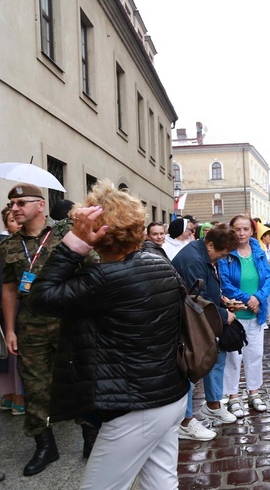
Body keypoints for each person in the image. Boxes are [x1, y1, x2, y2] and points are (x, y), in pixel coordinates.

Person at [27, 182, 190, 489]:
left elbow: (40, 297)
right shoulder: (158, 262)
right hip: (170, 395)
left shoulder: (105, 278)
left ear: (98, 232)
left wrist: (75, 242)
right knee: (162, 482)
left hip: (135, 406)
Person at [0, 183, 97, 475]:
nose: (14, 208)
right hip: (31, 326)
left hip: (69, 322)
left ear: (40, 205)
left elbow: (92, 271)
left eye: (21, 202)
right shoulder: (9, 245)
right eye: (12, 203)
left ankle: (91, 438)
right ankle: (45, 446)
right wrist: (10, 330)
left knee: (79, 379)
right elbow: (8, 289)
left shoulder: (66, 235)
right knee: (35, 387)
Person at [172, 224, 241, 441]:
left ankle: (213, 404)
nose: (222, 258)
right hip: (189, 323)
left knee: (216, 357)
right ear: (210, 245)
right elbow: (195, 301)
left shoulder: (204, 255)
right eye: (221, 254)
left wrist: (221, 300)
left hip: (203, 319)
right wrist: (223, 315)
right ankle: (184, 421)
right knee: (191, 367)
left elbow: (205, 290)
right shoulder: (192, 260)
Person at [220, 215, 270, 417]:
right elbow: (225, 283)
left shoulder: (258, 251)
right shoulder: (227, 254)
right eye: (237, 229)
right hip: (235, 313)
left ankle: (254, 392)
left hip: (255, 313)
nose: (241, 233)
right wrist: (247, 298)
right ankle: (233, 396)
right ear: (231, 231)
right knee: (233, 357)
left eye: (245, 229)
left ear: (252, 231)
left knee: (255, 354)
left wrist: (258, 298)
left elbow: (268, 276)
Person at [0, 207, 24, 416]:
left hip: (4, 309)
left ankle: (9, 396)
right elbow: (1, 282)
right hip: (8, 309)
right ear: (5, 222)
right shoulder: (3, 245)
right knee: (14, 355)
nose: (18, 224)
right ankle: (18, 397)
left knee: (8, 356)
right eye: (13, 220)